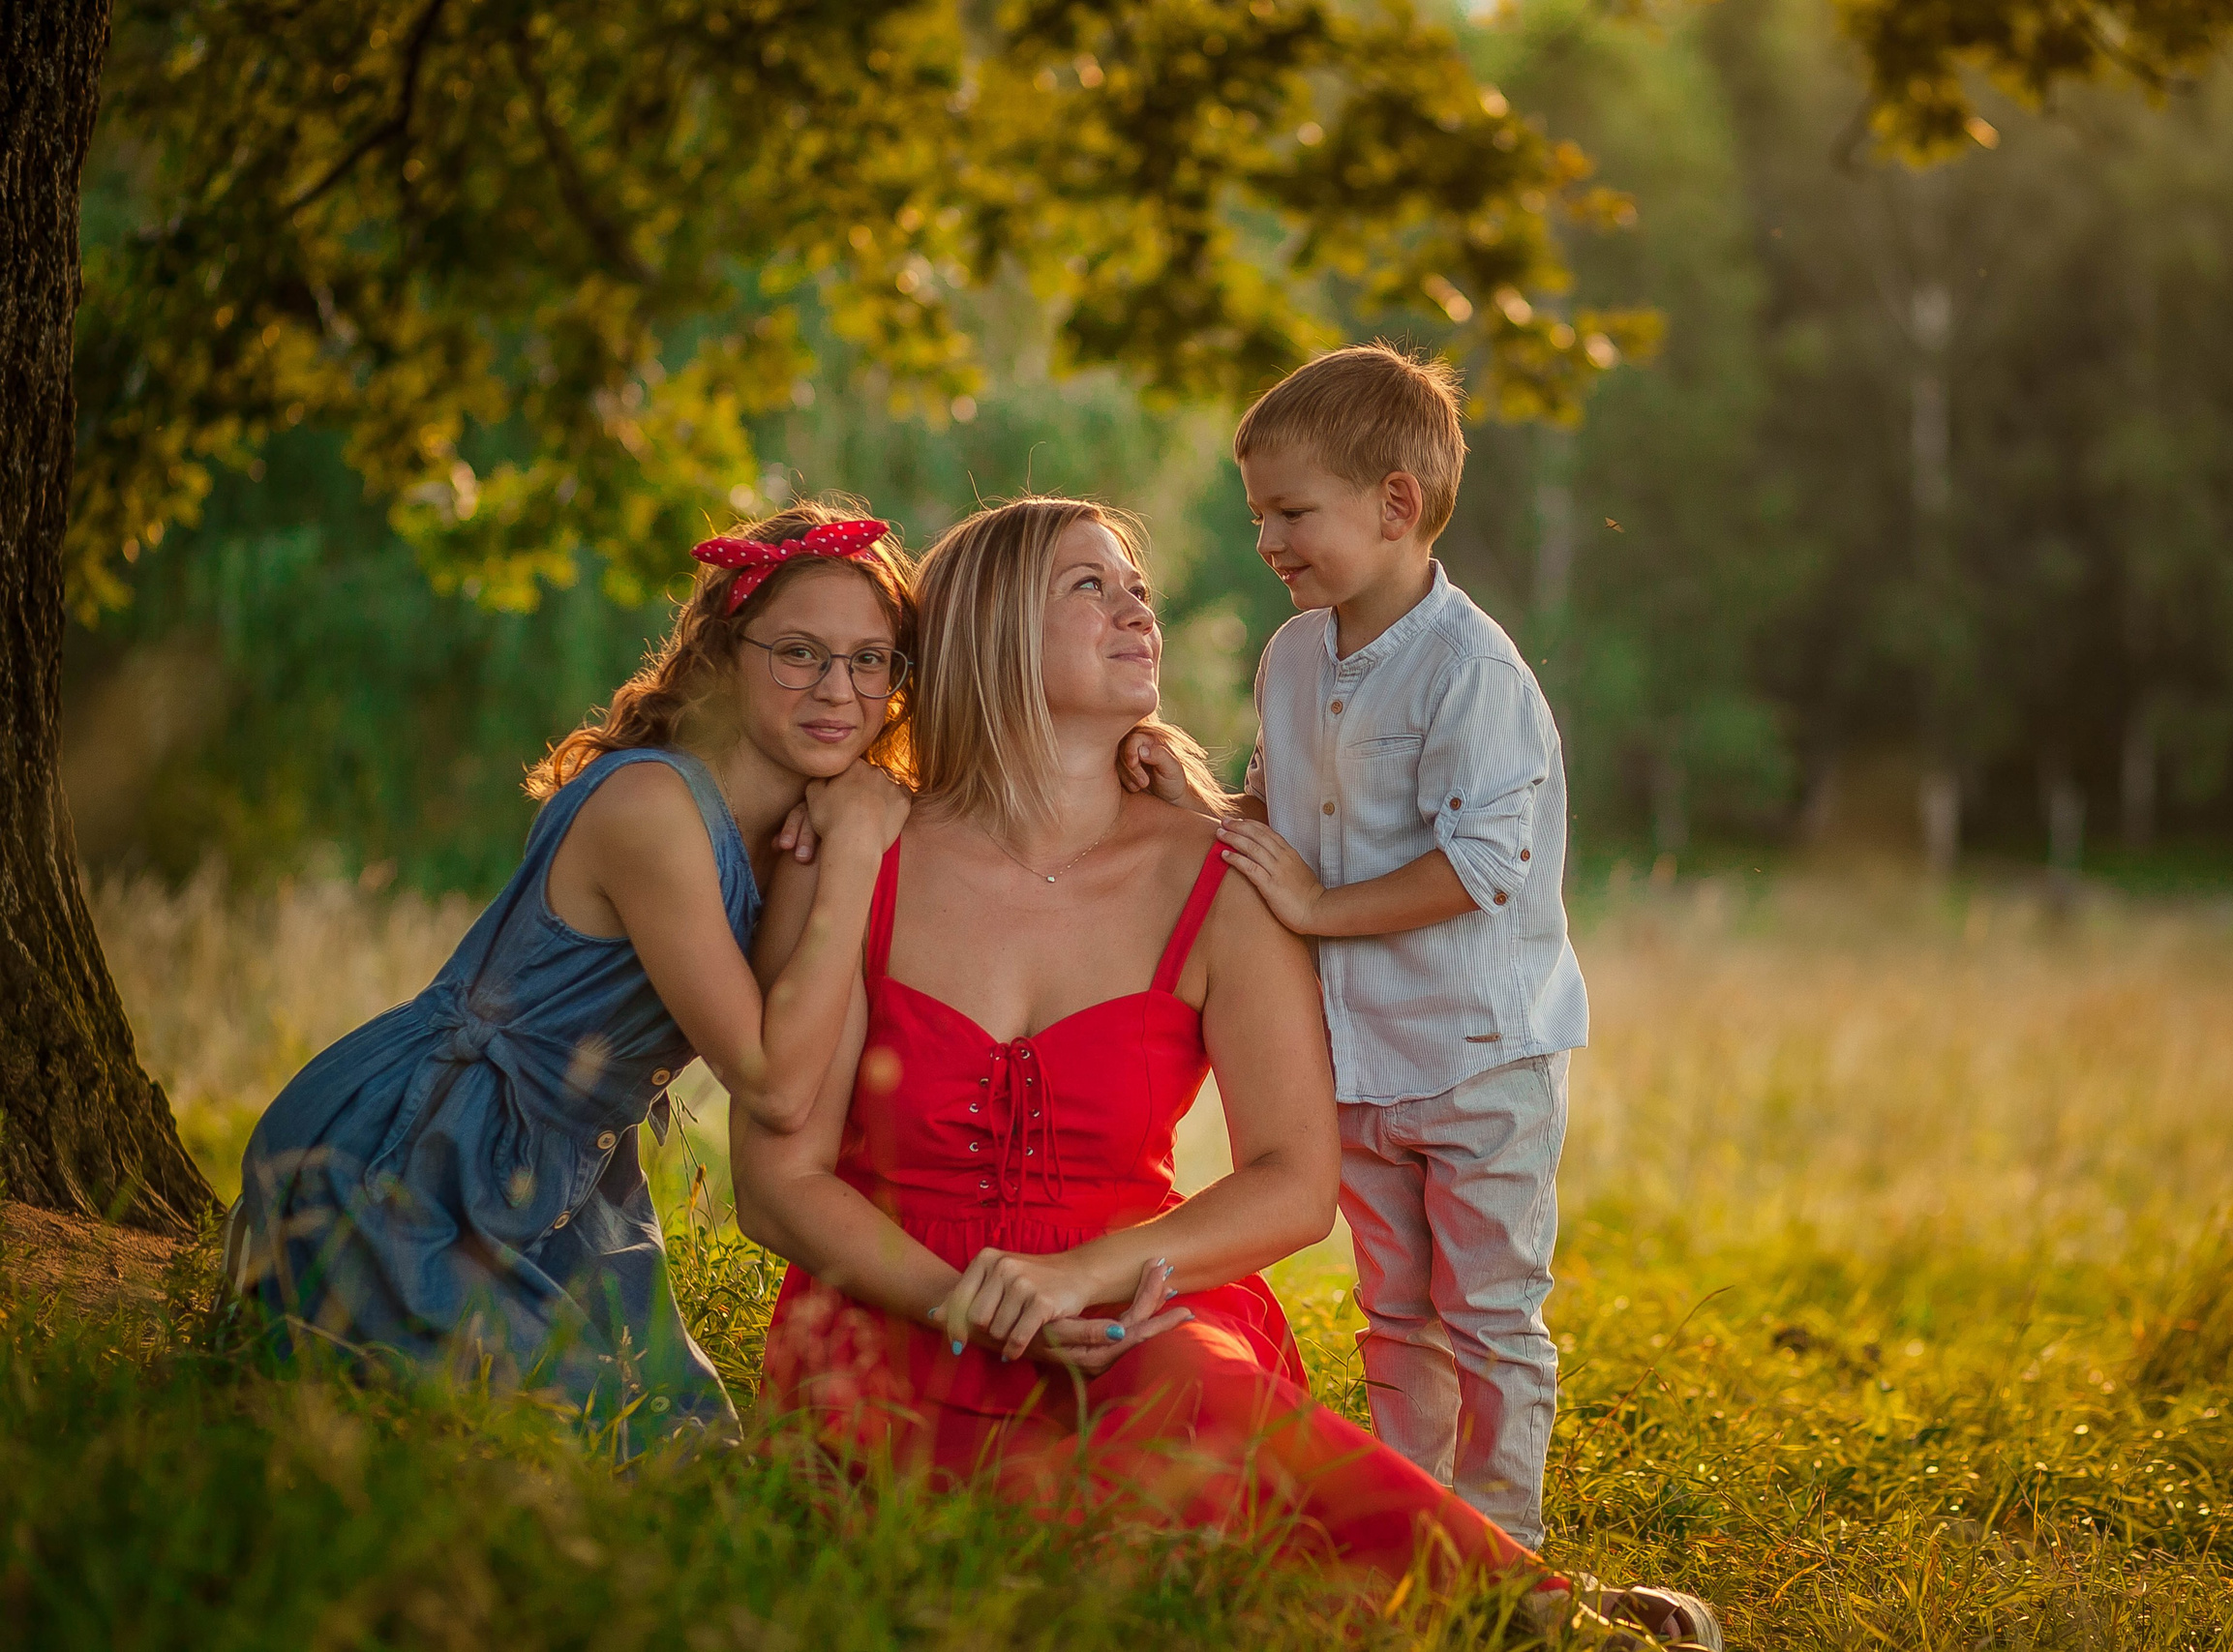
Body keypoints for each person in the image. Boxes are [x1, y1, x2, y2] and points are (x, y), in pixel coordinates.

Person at [739, 496, 1715, 1645]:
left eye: (1136, 587)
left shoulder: (1225, 871)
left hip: (1133, 1303)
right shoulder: (857, 846)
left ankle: (1537, 1620)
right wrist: (956, 1301)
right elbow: (778, 1179)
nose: (1135, 609)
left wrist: (1081, 1278)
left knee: (1188, 1402)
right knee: (942, 1552)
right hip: (886, 1306)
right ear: (991, 628)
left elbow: (1295, 1183)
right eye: (1087, 586)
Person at [226, 498, 914, 1448]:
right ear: (723, 653)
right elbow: (773, 1081)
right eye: (799, 652)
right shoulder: (656, 810)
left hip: (567, 1185)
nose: (837, 689)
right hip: (409, 1159)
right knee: (582, 1443)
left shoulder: (799, 824)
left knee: (691, 1459)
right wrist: (853, 856)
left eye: (869, 659)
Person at [1195, 342, 1594, 1562]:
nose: (1267, 539)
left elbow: (1482, 866)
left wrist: (1314, 911)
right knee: (1394, 1309)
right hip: (1358, 1057)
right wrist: (1189, 804)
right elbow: (1270, 813)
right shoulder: (1291, 657)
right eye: (1256, 511)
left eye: (1290, 511)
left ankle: (1501, 1544)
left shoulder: (1469, 671)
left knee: (1488, 1313)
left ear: (1396, 503)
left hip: (1478, 1057)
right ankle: (1411, 1528)